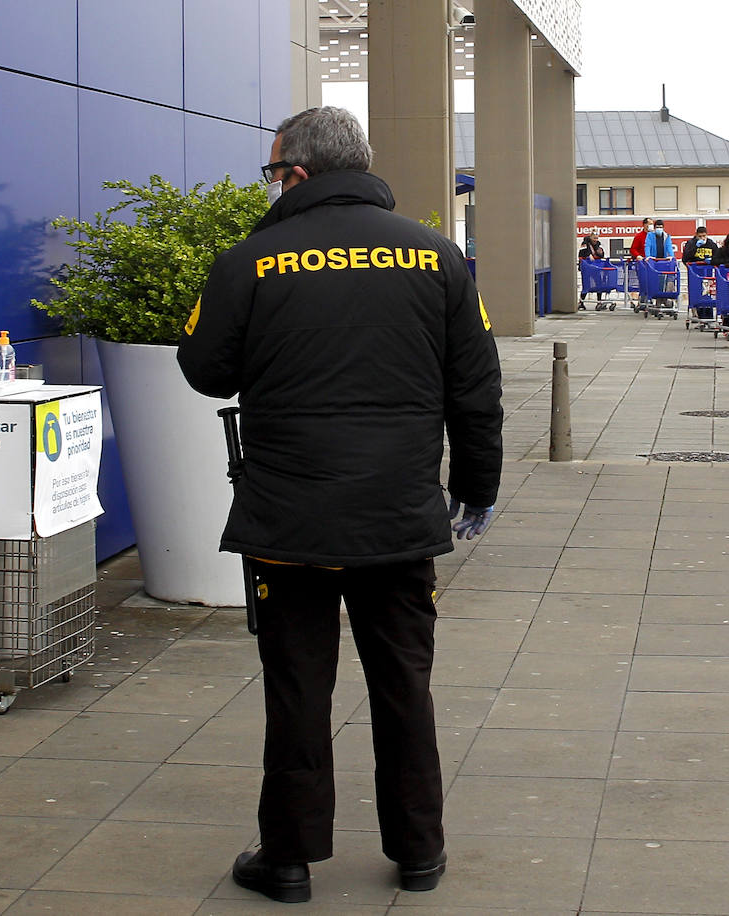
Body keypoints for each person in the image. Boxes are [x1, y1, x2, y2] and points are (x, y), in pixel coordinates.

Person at [177, 106, 503, 904]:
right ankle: (420, 852)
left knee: (297, 684)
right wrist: (477, 487)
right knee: (404, 681)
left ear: (296, 173)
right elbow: (476, 386)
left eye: (273, 172)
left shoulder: (250, 260)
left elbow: (206, 370)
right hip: (398, 515)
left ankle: (288, 860)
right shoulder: (436, 256)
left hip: (290, 519)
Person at [681, 225, 721, 320]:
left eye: (704, 236)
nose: (702, 238)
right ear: (696, 235)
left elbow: (717, 257)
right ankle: (697, 314)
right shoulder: (691, 243)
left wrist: (712, 261)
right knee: (696, 293)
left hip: (707, 274)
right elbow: (685, 258)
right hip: (695, 273)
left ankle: (708, 316)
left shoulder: (711, 244)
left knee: (707, 294)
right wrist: (696, 247)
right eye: (700, 236)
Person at [628, 217, 653, 308]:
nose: (651, 226)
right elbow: (633, 249)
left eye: (652, 224)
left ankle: (649, 299)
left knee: (652, 282)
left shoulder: (653, 236)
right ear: (644, 225)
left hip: (652, 264)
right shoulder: (639, 236)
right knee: (643, 282)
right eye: (649, 224)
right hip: (642, 264)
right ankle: (643, 300)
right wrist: (638, 256)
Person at [578, 232, 607, 310]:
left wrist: (599, 254)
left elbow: (601, 255)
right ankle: (581, 302)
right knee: (586, 285)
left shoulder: (598, 245)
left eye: (597, 238)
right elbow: (581, 254)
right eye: (594, 238)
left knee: (599, 283)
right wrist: (589, 255)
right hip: (586, 268)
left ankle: (599, 302)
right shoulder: (584, 244)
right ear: (590, 237)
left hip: (596, 267)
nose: (596, 240)